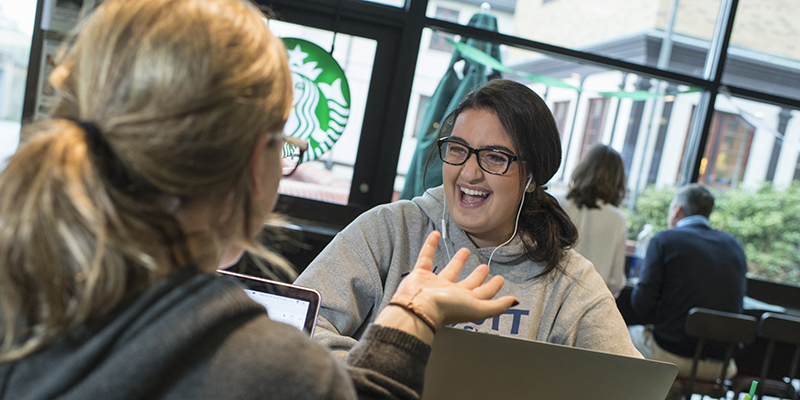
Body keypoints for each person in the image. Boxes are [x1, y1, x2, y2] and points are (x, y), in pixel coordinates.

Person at [0, 1, 519, 399]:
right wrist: (413, 316)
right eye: (284, 143)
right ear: (254, 161)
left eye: (496, 157)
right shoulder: (265, 369)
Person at [295, 79, 641, 360]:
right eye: (458, 149)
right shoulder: (390, 230)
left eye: (494, 156)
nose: (468, 173)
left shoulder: (569, 282)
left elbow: (629, 385)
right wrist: (385, 375)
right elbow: (296, 323)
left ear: (532, 175)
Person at [629, 184, 747, 381]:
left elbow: (641, 305)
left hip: (671, 356)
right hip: (722, 363)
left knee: (618, 335)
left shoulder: (664, 240)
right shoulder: (735, 246)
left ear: (677, 210)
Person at [555, 144, 628, 297]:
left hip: (551, 297)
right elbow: (615, 281)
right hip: (590, 303)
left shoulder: (556, 203)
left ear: (583, 169)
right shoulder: (617, 219)